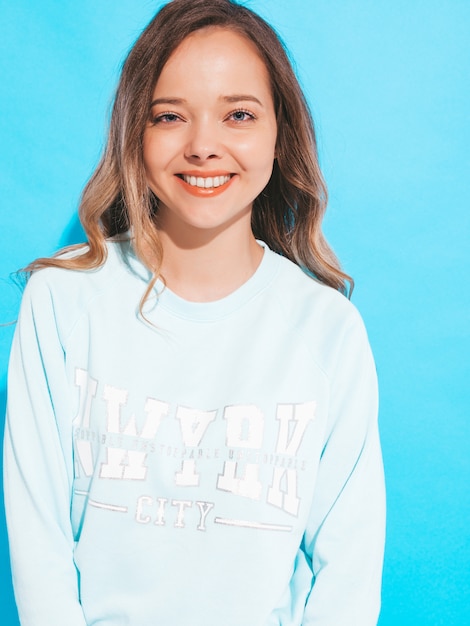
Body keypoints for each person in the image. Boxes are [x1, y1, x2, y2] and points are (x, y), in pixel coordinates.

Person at [3, 0, 385, 624]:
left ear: (278, 133)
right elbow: (37, 537)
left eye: (238, 114)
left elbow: (349, 570)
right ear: (137, 133)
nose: (204, 146)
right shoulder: (64, 301)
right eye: (170, 116)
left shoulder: (327, 331)